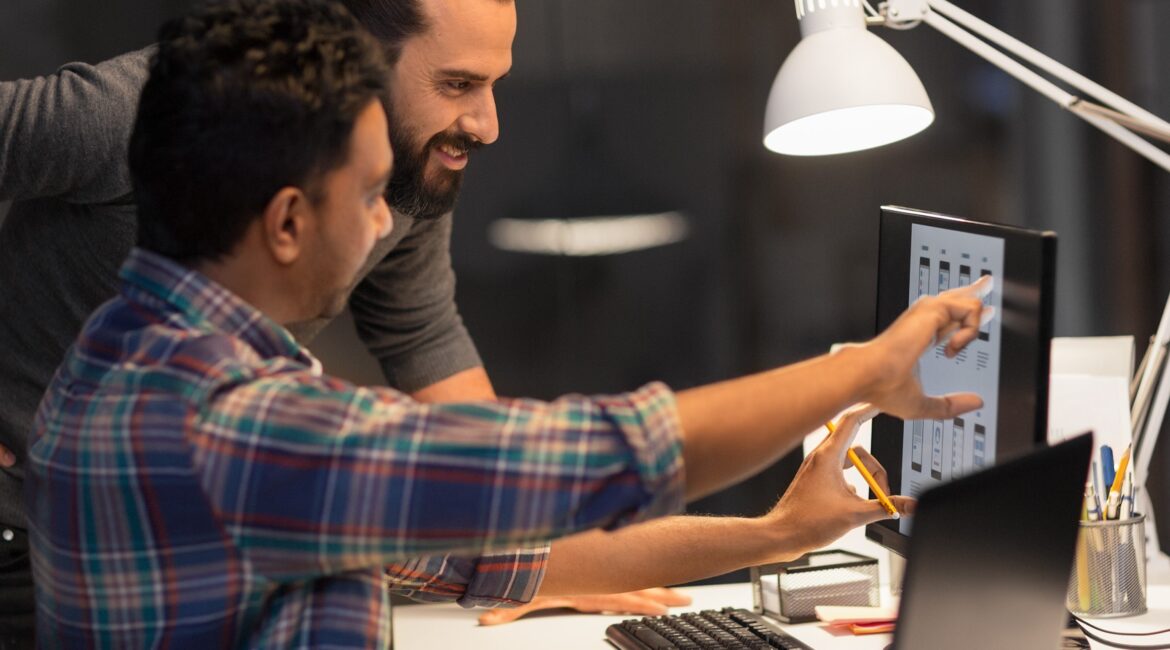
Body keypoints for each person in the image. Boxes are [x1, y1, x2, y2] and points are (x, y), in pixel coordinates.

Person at [24, 0, 990, 646]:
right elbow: (586, 457)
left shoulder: (109, 366)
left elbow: (504, 531)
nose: (383, 227)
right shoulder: (245, 430)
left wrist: (779, 532)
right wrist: (864, 371)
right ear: (285, 221)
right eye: (367, 198)